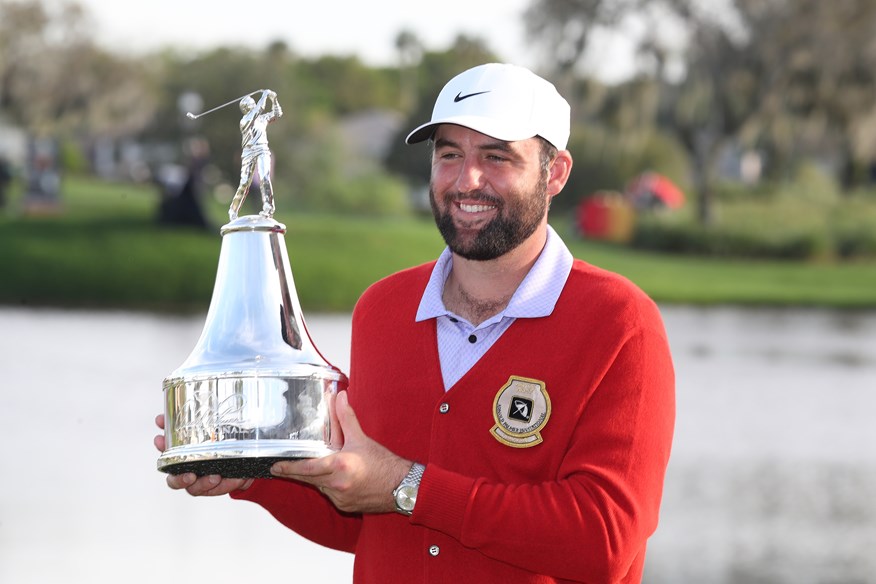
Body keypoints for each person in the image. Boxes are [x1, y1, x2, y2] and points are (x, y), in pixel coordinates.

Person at [155, 63, 675, 583]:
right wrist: (251, 472)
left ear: (554, 172)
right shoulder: (384, 309)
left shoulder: (620, 323)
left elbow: (604, 541)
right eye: (450, 154)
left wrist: (408, 486)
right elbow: (362, 520)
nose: (467, 179)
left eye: (497, 157)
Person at [228, 89, 282, 220]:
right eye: (250, 104)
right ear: (246, 108)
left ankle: (268, 209)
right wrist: (264, 95)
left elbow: (277, 113)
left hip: (263, 149)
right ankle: (233, 211)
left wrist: (274, 99)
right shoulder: (245, 120)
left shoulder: (262, 119)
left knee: (265, 178)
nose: (253, 106)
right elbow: (259, 108)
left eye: (253, 103)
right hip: (248, 152)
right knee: (244, 183)